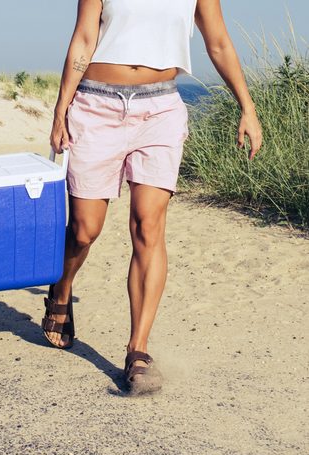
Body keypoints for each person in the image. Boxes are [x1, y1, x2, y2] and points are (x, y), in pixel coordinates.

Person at [43, 0, 262, 394]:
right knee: (84, 230)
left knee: (149, 226)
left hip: (160, 109)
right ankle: (61, 289)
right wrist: (62, 107)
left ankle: (138, 351)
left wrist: (246, 106)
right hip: (96, 106)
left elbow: (219, 43)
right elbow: (84, 37)